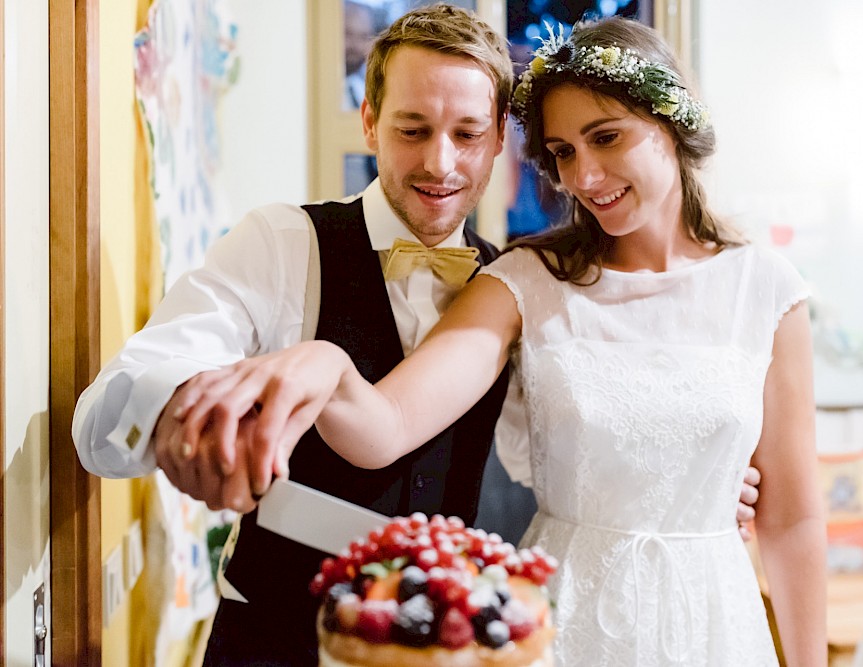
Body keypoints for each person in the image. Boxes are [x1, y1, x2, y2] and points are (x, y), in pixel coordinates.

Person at [73, 5, 763, 665]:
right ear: (369, 120)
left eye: (466, 134)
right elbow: (107, 415)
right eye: (411, 129)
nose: (439, 163)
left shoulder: (524, 289)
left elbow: (576, 443)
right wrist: (182, 414)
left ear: (499, 138)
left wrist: (678, 478)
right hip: (273, 640)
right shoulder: (283, 244)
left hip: (451, 648)